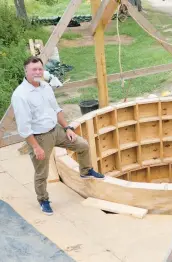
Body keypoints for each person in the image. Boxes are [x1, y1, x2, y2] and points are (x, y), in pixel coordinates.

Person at [11, 56, 105, 216]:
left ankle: (85, 170)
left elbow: (56, 109)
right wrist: (35, 147)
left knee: (82, 145)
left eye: (40, 69)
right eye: (34, 69)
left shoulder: (45, 86)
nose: (37, 72)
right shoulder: (20, 95)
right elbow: (24, 128)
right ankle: (43, 200)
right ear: (25, 71)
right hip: (39, 138)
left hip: (55, 130)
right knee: (42, 173)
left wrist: (67, 128)